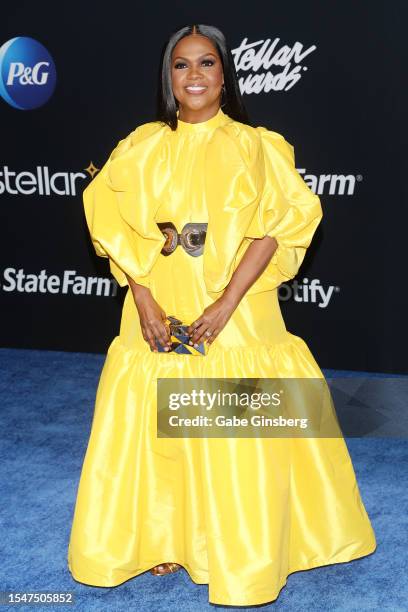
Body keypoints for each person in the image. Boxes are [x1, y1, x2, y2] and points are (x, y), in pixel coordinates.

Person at [67, 24, 376, 607]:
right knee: (157, 417)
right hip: (156, 304)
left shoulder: (257, 145)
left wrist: (228, 302)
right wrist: (144, 297)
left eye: (206, 63)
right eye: (181, 66)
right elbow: (111, 221)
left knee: (236, 420)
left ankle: (249, 551)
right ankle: (163, 536)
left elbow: (276, 225)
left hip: (238, 307)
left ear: (224, 73)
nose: (194, 76)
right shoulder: (139, 147)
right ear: (170, 77)